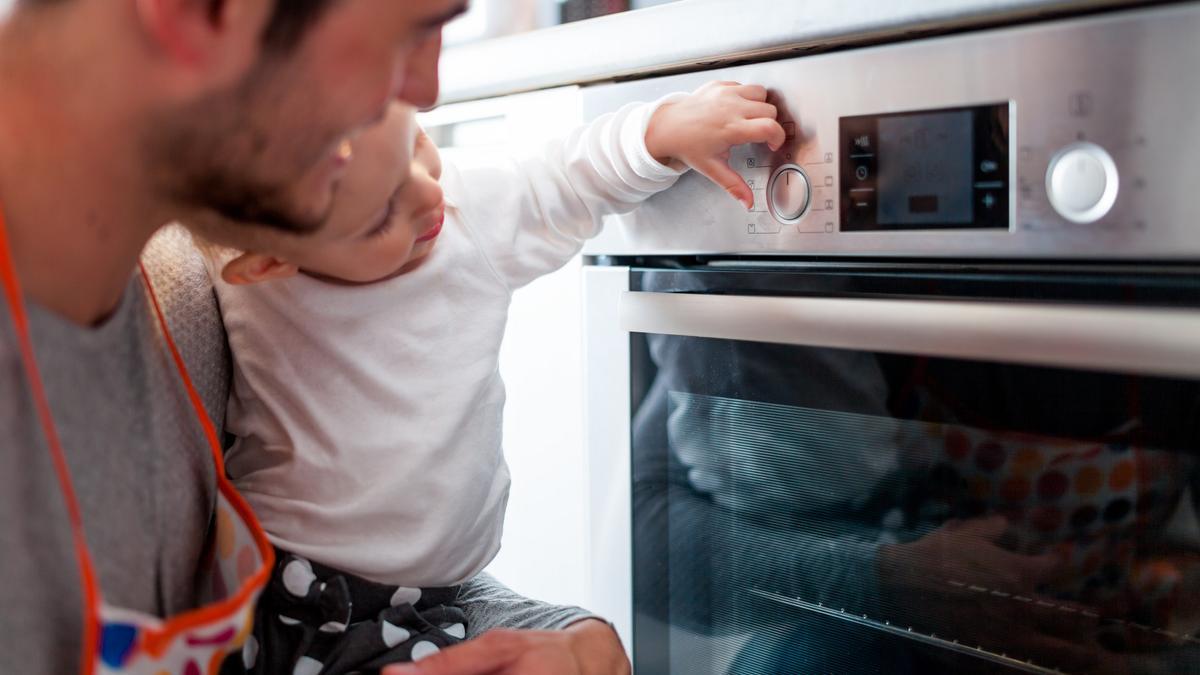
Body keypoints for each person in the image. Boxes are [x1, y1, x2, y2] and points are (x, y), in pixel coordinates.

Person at [0, 0, 652, 672]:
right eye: (414, 28)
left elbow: (357, 595)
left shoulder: (196, 277)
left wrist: (551, 637)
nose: (425, 90)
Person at [194, 79, 785, 674]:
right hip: (301, 591)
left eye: (417, 146)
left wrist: (659, 134)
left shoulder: (460, 215)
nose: (428, 197)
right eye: (379, 217)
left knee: (595, 652)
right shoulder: (249, 251)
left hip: (452, 593)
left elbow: (563, 179)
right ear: (270, 263)